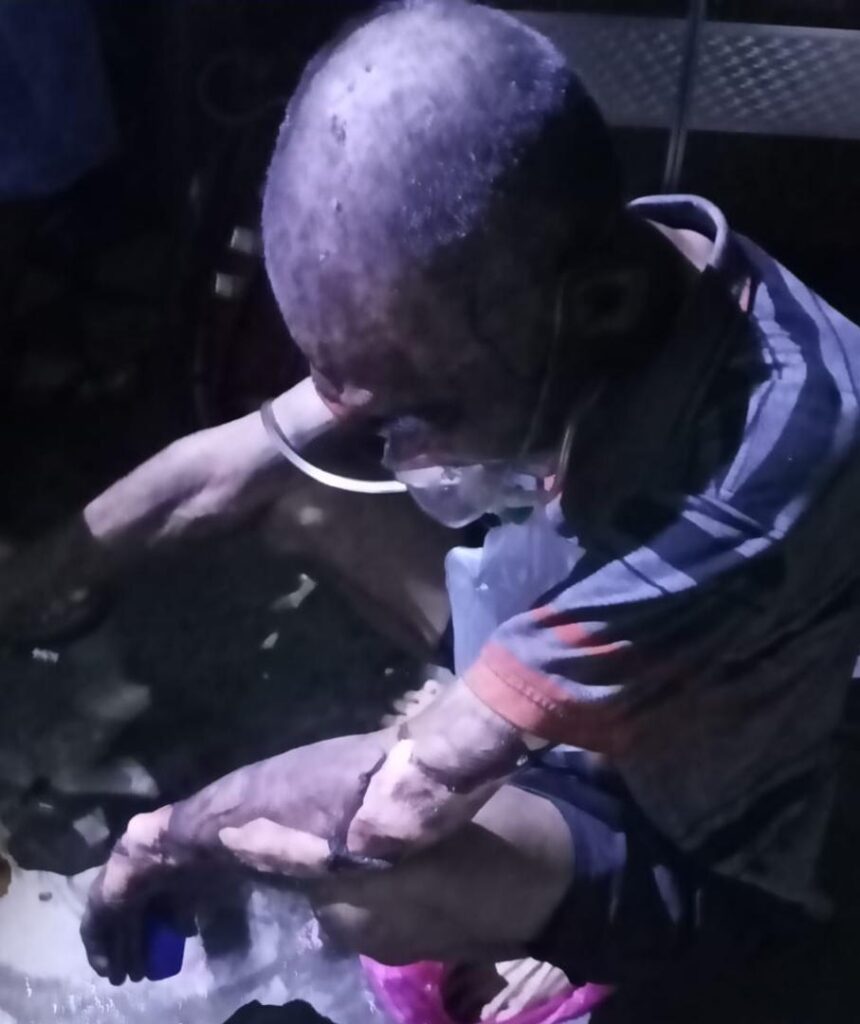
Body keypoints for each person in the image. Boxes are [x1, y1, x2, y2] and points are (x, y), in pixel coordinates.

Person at [6, 0, 860, 1017]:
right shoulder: (541, 275)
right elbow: (232, 466)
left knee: (376, 888)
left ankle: (624, 929)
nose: (398, 451)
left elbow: (393, 805)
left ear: (600, 304)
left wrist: (163, 839)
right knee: (304, 496)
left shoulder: (751, 486)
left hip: (718, 815)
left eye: (421, 412)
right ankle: (527, 777)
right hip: (593, 664)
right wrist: (25, 588)